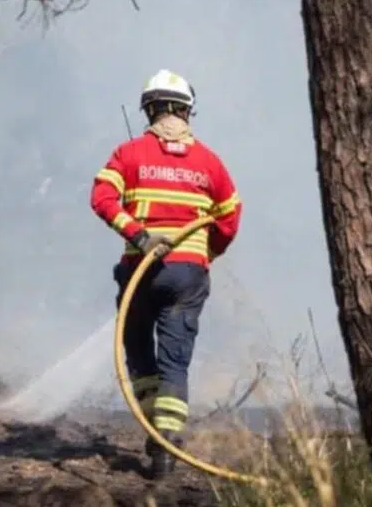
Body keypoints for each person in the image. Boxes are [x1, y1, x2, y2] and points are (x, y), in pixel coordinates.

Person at [89, 69, 242, 479]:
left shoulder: (129, 153)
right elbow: (229, 217)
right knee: (175, 361)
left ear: (149, 109)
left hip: (141, 271)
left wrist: (138, 235)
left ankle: (154, 428)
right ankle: (166, 447)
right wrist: (206, 252)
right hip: (186, 277)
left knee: (139, 350)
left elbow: (101, 198)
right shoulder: (209, 161)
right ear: (188, 111)